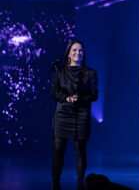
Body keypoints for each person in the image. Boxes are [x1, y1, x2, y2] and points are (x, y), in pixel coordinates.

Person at [51, 40, 99, 190]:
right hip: (63, 114)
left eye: (80, 51)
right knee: (58, 150)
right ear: (68, 53)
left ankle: (80, 185)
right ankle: (55, 184)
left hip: (81, 115)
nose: (78, 53)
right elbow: (54, 92)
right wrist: (66, 98)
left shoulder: (90, 73)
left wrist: (79, 99)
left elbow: (94, 95)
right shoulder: (59, 71)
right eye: (74, 50)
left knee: (80, 150)